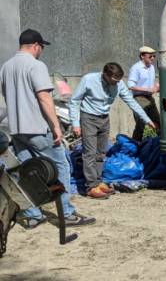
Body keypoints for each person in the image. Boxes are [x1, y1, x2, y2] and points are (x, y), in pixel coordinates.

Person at [0, 29, 95, 228]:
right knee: (60, 165)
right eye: (41, 47)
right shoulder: (36, 66)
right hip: (37, 126)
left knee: (27, 171)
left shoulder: (6, 67)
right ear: (35, 46)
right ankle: (67, 214)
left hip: (17, 129)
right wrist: (55, 126)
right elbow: (44, 97)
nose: (41, 51)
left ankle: (33, 214)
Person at [69, 63, 157, 199]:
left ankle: (98, 182)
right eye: (114, 80)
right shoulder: (89, 79)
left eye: (119, 81)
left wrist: (147, 120)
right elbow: (74, 101)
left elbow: (131, 102)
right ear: (105, 75)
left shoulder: (119, 84)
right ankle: (90, 187)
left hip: (104, 119)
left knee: (101, 153)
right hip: (88, 118)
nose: (117, 84)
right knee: (89, 153)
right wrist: (75, 124)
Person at [127, 46, 161, 141]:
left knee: (158, 123)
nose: (153, 58)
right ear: (142, 56)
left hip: (149, 98)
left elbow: (151, 83)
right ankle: (135, 145)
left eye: (154, 56)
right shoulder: (136, 68)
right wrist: (147, 90)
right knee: (141, 125)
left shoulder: (152, 67)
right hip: (139, 98)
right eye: (150, 56)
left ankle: (158, 146)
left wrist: (156, 87)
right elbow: (130, 85)